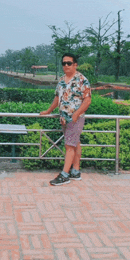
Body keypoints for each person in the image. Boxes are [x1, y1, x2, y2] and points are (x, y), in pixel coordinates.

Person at [40, 52, 91, 186]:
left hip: (75, 119)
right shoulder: (62, 80)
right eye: (64, 63)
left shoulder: (82, 80)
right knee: (75, 143)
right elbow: (57, 98)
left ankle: (64, 175)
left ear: (75, 64)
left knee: (69, 146)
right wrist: (48, 111)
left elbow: (87, 101)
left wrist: (76, 114)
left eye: (69, 63)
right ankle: (76, 171)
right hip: (63, 118)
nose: (66, 65)